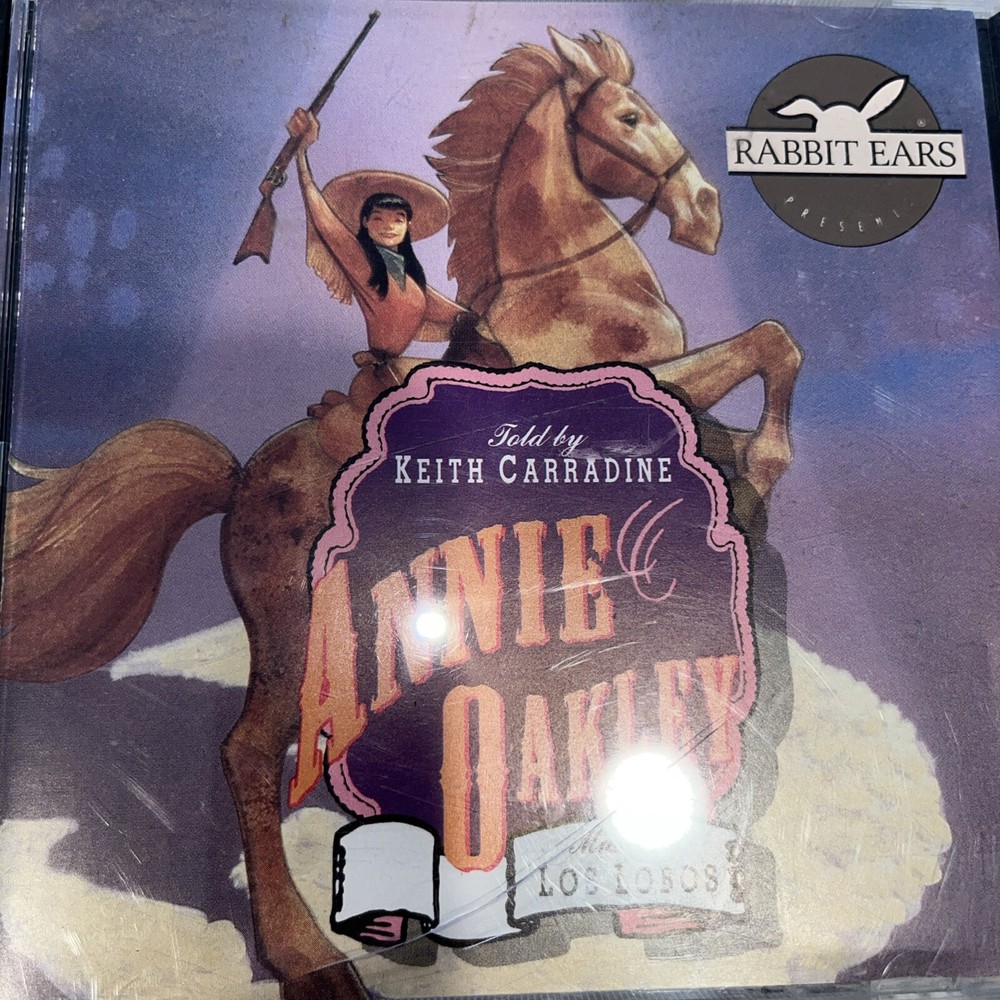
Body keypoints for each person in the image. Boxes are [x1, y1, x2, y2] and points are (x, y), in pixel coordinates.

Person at [287, 107, 466, 385]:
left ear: (408, 225)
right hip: (378, 376)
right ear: (365, 223)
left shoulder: (408, 273)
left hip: (397, 368)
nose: (388, 226)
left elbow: (445, 311)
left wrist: (483, 321)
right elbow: (323, 220)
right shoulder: (362, 262)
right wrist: (301, 154)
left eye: (398, 219)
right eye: (378, 218)